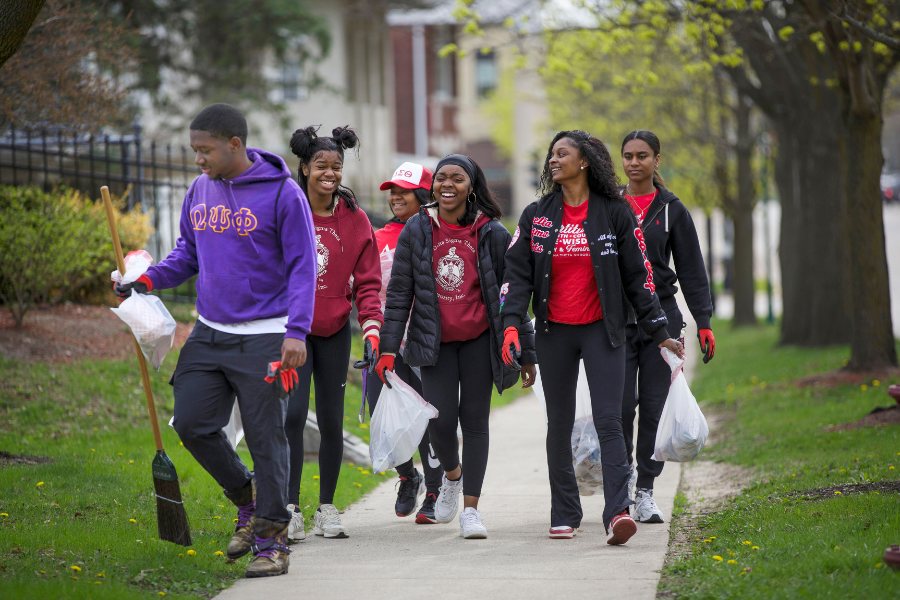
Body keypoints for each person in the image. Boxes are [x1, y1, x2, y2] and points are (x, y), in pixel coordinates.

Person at [115, 103, 316, 577]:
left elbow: (304, 268)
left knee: (267, 438)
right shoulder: (199, 189)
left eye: (204, 150)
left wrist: (296, 331)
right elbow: (189, 251)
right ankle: (246, 497)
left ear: (234, 144)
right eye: (193, 150)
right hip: (210, 331)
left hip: (267, 335)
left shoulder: (284, 194)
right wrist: (145, 281)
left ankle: (271, 542)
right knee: (191, 422)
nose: (198, 159)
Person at [500, 130, 684, 545]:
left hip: (603, 330)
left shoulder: (616, 213)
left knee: (609, 421)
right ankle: (564, 511)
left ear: (584, 161)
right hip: (554, 334)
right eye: (551, 153)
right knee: (559, 424)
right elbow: (516, 276)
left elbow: (640, 279)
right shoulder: (536, 215)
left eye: (562, 153)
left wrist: (660, 331)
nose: (553, 159)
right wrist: (512, 325)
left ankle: (617, 512)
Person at [375, 154, 537, 539]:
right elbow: (399, 294)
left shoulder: (492, 233)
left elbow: (514, 295)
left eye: (457, 178)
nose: (448, 184)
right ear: (434, 186)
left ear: (471, 186)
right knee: (440, 424)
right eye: (442, 178)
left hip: (481, 342)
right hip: (435, 343)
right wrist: (386, 348)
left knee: (475, 423)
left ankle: (471, 510)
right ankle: (452, 477)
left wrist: (527, 352)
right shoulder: (417, 229)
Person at [283, 125, 383, 541]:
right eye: (321, 166)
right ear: (305, 168)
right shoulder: (287, 211)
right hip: (293, 333)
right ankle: (290, 509)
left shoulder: (355, 220)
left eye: (336, 167)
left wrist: (372, 328)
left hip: (335, 331)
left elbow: (369, 281)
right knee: (290, 417)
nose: (330, 173)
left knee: (329, 420)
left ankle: (326, 507)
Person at [619, 130, 714, 523]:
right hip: (618, 320)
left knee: (655, 409)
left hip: (663, 318)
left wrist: (703, 322)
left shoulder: (672, 209)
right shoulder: (609, 205)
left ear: (657, 160)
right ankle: (620, 483)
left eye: (643, 155)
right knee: (621, 408)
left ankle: (645, 491)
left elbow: (692, 269)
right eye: (627, 155)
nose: (634, 162)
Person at [366, 162, 444, 523]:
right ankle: (407, 477)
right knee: (384, 416)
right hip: (383, 339)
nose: (396, 196)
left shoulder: (436, 233)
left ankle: (435, 488)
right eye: (393, 190)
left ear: (423, 196)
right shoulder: (376, 238)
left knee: (427, 416)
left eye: (405, 190)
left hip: (424, 340)